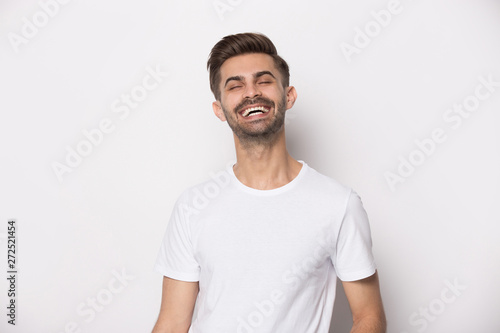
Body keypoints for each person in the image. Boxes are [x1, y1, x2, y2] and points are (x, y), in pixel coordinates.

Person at [152, 32, 386, 333]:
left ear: (288, 95)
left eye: (263, 81)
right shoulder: (192, 206)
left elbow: (369, 316)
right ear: (219, 110)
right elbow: (172, 322)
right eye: (235, 86)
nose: (251, 93)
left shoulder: (338, 203)